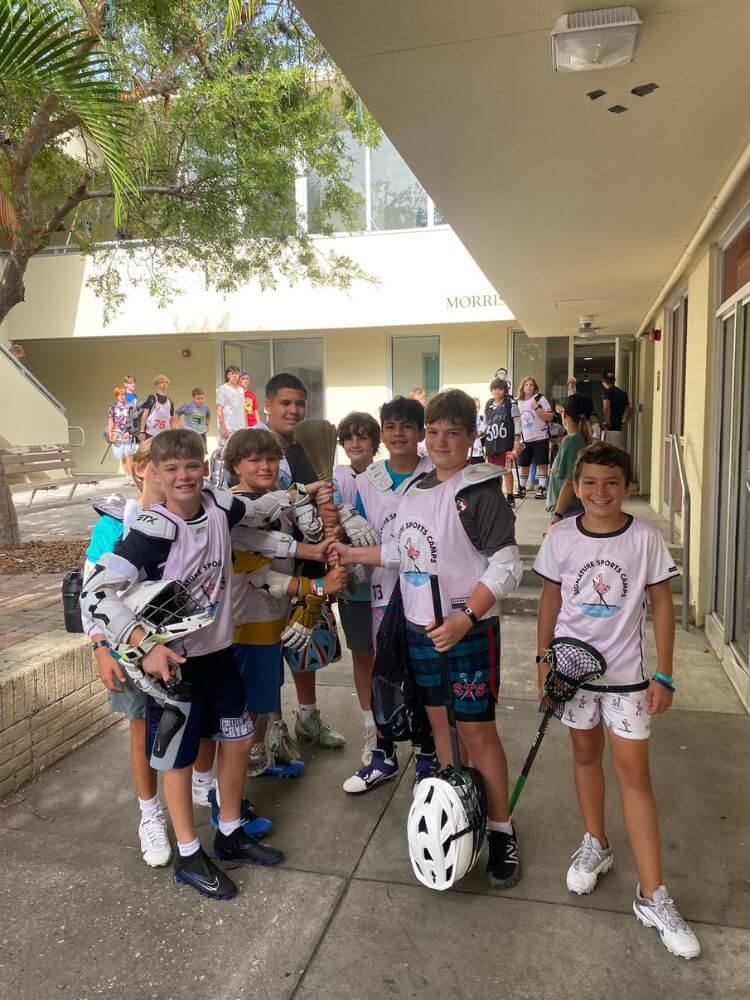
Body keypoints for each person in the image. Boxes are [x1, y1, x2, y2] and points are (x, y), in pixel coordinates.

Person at [81, 429, 288, 900]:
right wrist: (142, 644)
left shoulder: (217, 504)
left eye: (191, 465)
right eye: (170, 468)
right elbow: (95, 592)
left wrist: (299, 503)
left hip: (218, 655)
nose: (183, 476)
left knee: (238, 742)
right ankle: (190, 857)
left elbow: (252, 510)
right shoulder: (151, 530)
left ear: (205, 465)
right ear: (153, 471)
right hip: (173, 667)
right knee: (177, 761)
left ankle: (231, 833)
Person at [333, 389, 524, 887]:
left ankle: (502, 831)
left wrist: (465, 617)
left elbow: (508, 564)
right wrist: (354, 557)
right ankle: (459, 814)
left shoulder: (480, 490)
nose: (441, 441)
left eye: (452, 433)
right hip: (419, 631)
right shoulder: (415, 488)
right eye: (434, 431)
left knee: (478, 732)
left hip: (466, 634)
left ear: (471, 436)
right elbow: (403, 548)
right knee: (440, 729)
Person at [534, 442, 700, 959]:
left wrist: (664, 674)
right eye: (589, 482)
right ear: (575, 485)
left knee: (635, 777)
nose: (599, 492)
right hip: (572, 674)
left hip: (628, 680)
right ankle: (595, 844)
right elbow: (550, 598)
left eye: (611, 482)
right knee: (585, 756)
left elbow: (662, 605)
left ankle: (653, 894)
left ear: (627, 486)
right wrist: (543, 661)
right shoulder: (561, 537)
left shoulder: (645, 539)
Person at [225, 428, 345, 779]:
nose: (265, 466)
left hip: (272, 623)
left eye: (271, 459)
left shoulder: (275, 500)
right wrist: (318, 586)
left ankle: (259, 764)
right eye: (255, 460)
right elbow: (264, 578)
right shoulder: (236, 511)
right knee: (247, 712)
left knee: (263, 701)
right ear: (235, 465)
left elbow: (284, 520)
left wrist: (324, 519)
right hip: (249, 627)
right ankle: (232, 791)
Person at [341, 397, 434, 794]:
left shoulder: (436, 474)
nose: (399, 433)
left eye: (407, 426)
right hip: (382, 592)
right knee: (384, 674)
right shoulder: (367, 481)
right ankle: (383, 755)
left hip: (426, 594)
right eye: (391, 425)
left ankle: (427, 754)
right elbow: (361, 537)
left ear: (420, 432)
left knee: (423, 674)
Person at [263, 372, 346, 752]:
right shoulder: (253, 446)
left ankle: (308, 719)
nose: (294, 410)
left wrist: (331, 518)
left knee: (303, 641)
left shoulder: (305, 447)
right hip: (264, 565)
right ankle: (274, 728)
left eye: (300, 404)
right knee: (267, 649)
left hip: (309, 560)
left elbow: (321, 500)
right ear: (268, 405)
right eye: (286, 403)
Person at [333, 412, 381, 763]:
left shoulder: (388, 476)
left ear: (374, 443)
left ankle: (399, 722)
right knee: (363, 655)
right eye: (348, 438)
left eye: (362, 437)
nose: (355, 443)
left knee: (394, 659)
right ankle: (371, 729)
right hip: (355, 587)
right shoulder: (333, 478)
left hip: (393, 586)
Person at [547, 394, 593, 525]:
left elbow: (569, 483)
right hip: (571, 511)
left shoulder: (572, 441)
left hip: (568, 512)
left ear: (565, 415)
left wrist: (557, 515)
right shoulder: (579, 439)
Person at [483, 378, 521, 508]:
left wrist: (517, 440)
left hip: (506, 442)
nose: (497, 391)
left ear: (505, 390)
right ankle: (496, 496)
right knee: (492, 472)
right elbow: (486, 423)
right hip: (491, 442)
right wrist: (480, 433)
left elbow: (517, 421)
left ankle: (510, 496)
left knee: (506, 470)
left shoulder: (511, 402)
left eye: (500, 388)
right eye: (495, 388)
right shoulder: (489, 404)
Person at [516, 376, 554, 500]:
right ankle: (522, 487)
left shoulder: (540, 399)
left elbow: (550, 417)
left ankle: (542, 488)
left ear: (535, 387)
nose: (528, 387)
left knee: (542, 464)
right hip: (525, 438)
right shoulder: (518, 402)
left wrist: (537, 408)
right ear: (522, 387)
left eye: (531, 385)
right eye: (526, 384)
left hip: (540, 437)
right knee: (523, 464)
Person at [108, 385, 137, 481]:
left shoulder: (130, 406)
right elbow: (111, 420)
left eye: (123, 394)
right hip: (117, 434)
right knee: (122, 456)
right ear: (116, 396)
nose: (122, 396)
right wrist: (110, 433)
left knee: (129, 455)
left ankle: (133, 478)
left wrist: (129, 432)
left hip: (128, 433)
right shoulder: (113, 407)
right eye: (120, 395)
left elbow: (134, 421)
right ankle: (127, 477)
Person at [139, 374, 177, 440]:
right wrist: (142, 431)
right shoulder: (152, 398)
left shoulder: (170, 402)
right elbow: (144, 415)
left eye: (165, 382)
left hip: (165, 435)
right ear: (156, 384)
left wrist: (173, 433)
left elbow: (172, 419)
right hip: (151, 433)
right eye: (161, 382)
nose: (164, 384)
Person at [601, 371, 632, 449]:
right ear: (614, 380)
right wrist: (623, 420)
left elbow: (606, 406)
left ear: (603, 382)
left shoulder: (606, 392)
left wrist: (607, 421)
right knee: (616, 452)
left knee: (606, 453)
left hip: (609, 429)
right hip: (618, 429)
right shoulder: (623, 393)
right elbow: (628, 410)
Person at [216, 365, 246, 444]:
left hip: (240, 428)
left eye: (236, 373)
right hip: (228, 428)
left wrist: (246, 427)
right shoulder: (223, 389)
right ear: (228, 375)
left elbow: (243, 409)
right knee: (227, 452)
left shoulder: (241, 390)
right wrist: (223, 427)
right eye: (232, 373)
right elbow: (219, 409)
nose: (235, 376)